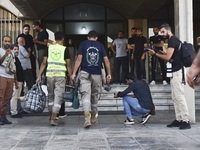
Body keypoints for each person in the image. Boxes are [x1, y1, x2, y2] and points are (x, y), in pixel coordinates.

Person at [148, 23, 191, 130]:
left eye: (163, 32)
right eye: (161, 32)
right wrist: (162, 52)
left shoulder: (172, 40)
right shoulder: (173, 41)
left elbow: (167, 57)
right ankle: (179, 119)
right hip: (175, 71)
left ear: (168, 30)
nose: (162, 34)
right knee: (175, 96)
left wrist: (155, 54)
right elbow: (171, 55)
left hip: (178, 72)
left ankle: (186, 120)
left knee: (179, 96)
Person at [71, 30, 111, 128]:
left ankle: (87, 118)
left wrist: (74, 73)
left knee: (85, 95)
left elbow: (79, 59)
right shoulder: (100, 45)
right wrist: (109, 74)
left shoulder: (83, 44)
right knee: (94, 96)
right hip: (97, 74)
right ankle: (93, 117)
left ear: (88, 37)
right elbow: (106, 60)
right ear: (96, 38)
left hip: (85, 73)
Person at [36, 32, 72, 126]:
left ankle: (50, 115)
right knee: (58, 96)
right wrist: (71, 76)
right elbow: (68, 65)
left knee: (51, 96)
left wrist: (39, 75)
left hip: (50, 75)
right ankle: (53, 118)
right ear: (63, 39)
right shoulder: (64, 49)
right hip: (60, 76)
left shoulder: (49, 48)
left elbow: (44, 62)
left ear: (55, 38)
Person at [0, 35, 15, 125]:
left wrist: (16, 79)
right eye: (5, 41)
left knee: (7, 97)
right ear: (2, 42)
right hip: (2, 76)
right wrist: (5, 54)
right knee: (1, 97)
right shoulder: (0, 51)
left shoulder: (12, 53)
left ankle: (3, 116)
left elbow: (14, 66)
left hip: (11, 77)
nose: (7, 43)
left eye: (9, 41)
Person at [9, 44, 24, 118]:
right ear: (11, 50)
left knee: (17, 97)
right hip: (16, 81)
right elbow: (14, 70)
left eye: (17, 49)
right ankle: (13, 112)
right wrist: (16, 81)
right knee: (14, 97)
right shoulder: (12, 58)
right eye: (15, 49)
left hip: (19, 80)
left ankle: (15, 111)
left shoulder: (16, 58)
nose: (16, 51)